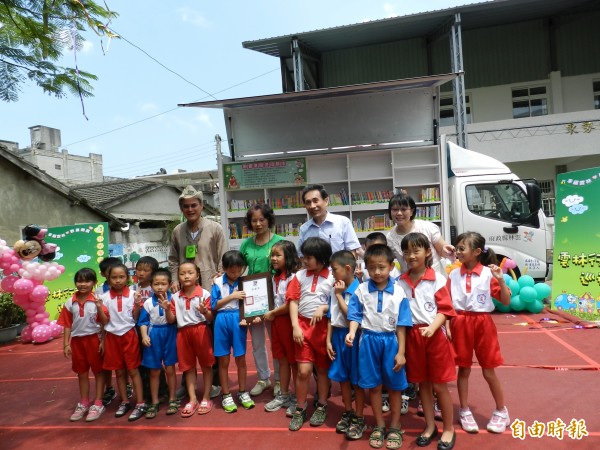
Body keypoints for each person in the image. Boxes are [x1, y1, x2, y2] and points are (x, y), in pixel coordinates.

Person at [345, 244, 412, 450]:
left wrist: (401, 352)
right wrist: (352, 332)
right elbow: (355, 315)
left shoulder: (399, 292)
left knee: (393, 386)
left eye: (381, 267)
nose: (377, 272)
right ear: (365, 268)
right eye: (372, 268)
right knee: (373, 387)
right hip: (368, 341)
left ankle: (394, 425)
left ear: (392, 266)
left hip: (391, 341)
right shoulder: (361, 290)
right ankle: (379, 425)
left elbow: (402, 325)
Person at [446, 232, 511, 435]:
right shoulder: (453, 274)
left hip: (482, 323)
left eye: (461, 248)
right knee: (463, 369)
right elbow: (447, 303)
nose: (458, 252)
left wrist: (501, 281)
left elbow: (506, 301)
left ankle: (502, 410)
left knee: (488, 370)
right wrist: (447, 325)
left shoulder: (489, 274)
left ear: (476, 252)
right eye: (457, 248)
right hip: (460, 322)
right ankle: (464, 410)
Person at [397, 233, 456, 450]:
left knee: (440, 385)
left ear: (428, 252)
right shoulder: (399, 282)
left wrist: (432, 327)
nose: (411, 256)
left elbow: (446, 310)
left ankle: (448, 428)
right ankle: (430, 426)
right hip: (412, 337)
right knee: (423, 384)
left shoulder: (438, 279)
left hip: (434, 336)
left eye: (416, 251)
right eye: (407, 252)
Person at [168, 185, 226, 399]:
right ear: (181, 209)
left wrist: (218, 281)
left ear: (202, 206)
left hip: (208, 291)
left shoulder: (215, 228)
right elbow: (173, 259)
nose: (190, 209)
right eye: (186, 206)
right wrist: (174, 279)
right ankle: (188, 381)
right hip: (185, 291)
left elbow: (223, 257)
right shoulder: (177, 231)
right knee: (186, 335)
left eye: (194, 205)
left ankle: (216, 382)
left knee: (210, 336)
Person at [287, 237, 334, 431]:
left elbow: (338, 301)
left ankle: (322, 404)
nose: (305, 261)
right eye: (303, 257)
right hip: (302, 327)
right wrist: (295, 326)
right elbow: (293, 301)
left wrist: (323, 308)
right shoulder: (299, 276)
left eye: (309, 257)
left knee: (322, 370)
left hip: (324, 329)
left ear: (322, 258)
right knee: (304, 371)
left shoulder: (332, 275)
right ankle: (300, 407)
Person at [239, 203, 284, 397]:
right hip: (252, 298)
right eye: (253, 220)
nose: (257, 224)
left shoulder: (280, 241)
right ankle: (263, 378)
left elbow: (287, 267)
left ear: (269, 220)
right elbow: (240, 269)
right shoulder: (245, 244)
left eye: (261, 219)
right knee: (257, 342)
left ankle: (280, 380)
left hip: (275, 295)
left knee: (276, 341)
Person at [96, 263, 146, 421]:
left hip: (129, 335)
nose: (118, 280)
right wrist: (98, 307)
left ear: (128, 278)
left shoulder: (132, 295)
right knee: (119, 371)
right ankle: (124, 401)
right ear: (108, 279)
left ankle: (140, 402)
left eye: (121, 277)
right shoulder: (103, 297)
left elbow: (136, 318)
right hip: (112, 337)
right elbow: (104, 321)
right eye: (114, 277)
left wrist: (137, 303)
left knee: (133, 370)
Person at [326, 250, 366, 440]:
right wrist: (328, 340)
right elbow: (330, 317)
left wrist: (340, 296)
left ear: (348, 268)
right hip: (337, 336)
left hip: (354, 338)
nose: (332, 273)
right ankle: (348, 411)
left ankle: (359, 416)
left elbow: (351, 315)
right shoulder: (335, 288)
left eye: (335, 269)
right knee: (342, 377)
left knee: (356, 380)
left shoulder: (360, 290)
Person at [58, 268, 106, 422]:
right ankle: (84, 402)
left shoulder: (98, 300)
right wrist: (66, 344)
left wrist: (103, 341)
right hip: (77, 342)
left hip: (94, 340)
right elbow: (67, 324)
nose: (83, 284)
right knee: (82, 373)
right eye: (79, 281)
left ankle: (98, 402)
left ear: (94, 283)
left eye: (87, 281)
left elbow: (105, 322)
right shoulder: (69, 302)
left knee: (99, 372)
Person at [211, 250, 255, 413]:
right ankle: (226, 394)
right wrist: (231, 296)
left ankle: (243, 392)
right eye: (232, 271)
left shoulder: (246, 282)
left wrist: (251, 317)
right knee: (222, 360)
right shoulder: (217, 283)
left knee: (241, 358)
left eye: (239, 270)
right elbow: (213, 306)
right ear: (224, 268)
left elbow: (252, 304)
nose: (236, 274)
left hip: (239, 320)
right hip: (221, 320)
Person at [172, 262, 216, 417]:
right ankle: (192, 399)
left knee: (206, 366)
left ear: (197, 275)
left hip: (201, 330)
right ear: (178, 277)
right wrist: (166, 309)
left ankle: (206, 397)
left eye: (190, 273)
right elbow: (171, 319)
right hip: (183, 333)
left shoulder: (204, 294)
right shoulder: (175, 297)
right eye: (182, 273)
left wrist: (205, 312)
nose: (186, 276)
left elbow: (210, 317)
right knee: (188, 368)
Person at [263, 240, 301, 414]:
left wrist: (272, 313)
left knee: (294, 362)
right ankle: (284, 394)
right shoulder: (273, 277)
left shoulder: (294, 277)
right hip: (276, 323)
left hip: (288, 322)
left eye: (278, 255)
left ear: (289, 256)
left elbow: (291, 304)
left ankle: (297, 396)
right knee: (282, 360)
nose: (274, 258)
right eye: (272, 255)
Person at [138, 268, 179, 418]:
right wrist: (144, 336)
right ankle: (154, 401)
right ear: (151, 285)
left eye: (163, 284)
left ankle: (173, 398)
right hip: (154, 334)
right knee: (154, 371)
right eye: (156, 284)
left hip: (169, 333)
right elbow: (142, 322)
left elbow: (172, 320)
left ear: (169, 284)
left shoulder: (174, 299)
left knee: (170, 369)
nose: (160, 287)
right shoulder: (148, 302)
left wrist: (168, 309)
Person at [386, 194, 454, 276]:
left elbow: (442, 249)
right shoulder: (390, 237)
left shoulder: (427, 227)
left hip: (435, 277)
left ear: (411, 211)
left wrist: (447, 250)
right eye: (395, 209)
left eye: (403, 209)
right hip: (409, 281)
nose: (399, 213)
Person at [133, 256, 167, 405]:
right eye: (139, 269)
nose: (141, 273)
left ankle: (162, 391)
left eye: (146, 270)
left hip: (154, 329)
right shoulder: (132, 289)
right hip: (137, 329)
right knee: (141, 363)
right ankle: (146, 392)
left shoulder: (157, 287)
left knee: (156, 363)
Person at [95, 256, 127, 407]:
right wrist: (102, 338)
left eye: (120, 275)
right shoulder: (100, 292)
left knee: (126, 364)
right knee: (107, 364)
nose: (117, 279)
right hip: (106, 332)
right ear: (104, 275)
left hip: (125, 332)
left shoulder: (131, 291)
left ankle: (126, 386)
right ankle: (109, 388)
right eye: (111, 275)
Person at [297, 184, 361, 257]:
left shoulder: (343, 222)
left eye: (315, 201)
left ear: (326, 201)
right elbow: (301, 256)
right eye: (308, 202)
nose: (312, 206)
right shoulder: (304, 229)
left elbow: (352, 251)